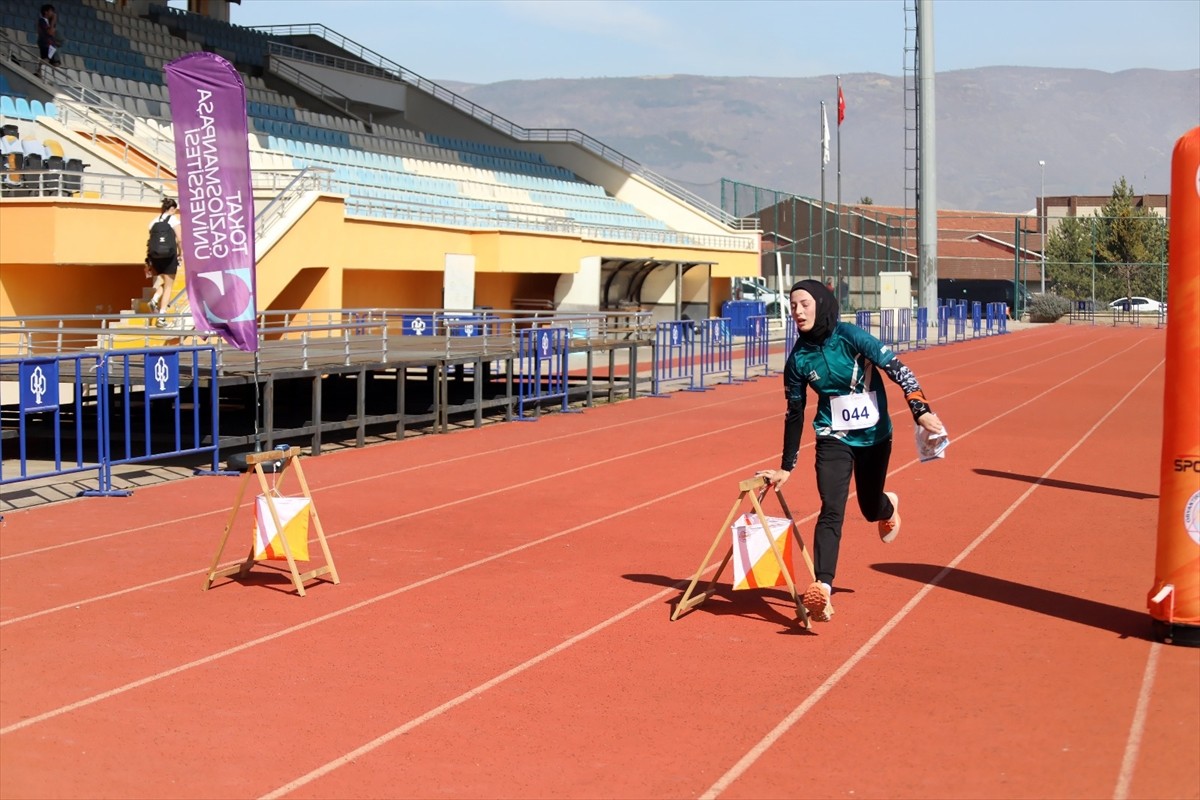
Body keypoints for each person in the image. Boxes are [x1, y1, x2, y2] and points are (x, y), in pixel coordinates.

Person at [755, 279, 944, 623]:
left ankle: (887, 505)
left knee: (870, 508)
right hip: (833, 436)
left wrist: (921, 410)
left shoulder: (851, 336)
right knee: (831, 507)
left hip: (874, 436)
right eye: (792, 305)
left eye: (804, 304)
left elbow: (898, 368)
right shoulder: (798, 359)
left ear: (822, 303)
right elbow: (794, 413)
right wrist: (786, 466)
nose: (797, 311)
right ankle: (822, 586)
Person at [145, 197, 181, 327]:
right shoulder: (173, 220)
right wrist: (180, 254)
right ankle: (161, 317)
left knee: (164, 282)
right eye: (175, 210)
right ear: (171, 209)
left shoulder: (153, 221)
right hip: (169, 256)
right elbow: (180, 239)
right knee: (169, 286)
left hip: (155, 257)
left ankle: (154, 299)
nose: (175, 212)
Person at [36, 5, 62, 73]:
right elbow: (50, 32)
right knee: (46, 59)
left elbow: (53, 33)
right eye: (51, 11)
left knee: (55, 62)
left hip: (51, 45)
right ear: (46, 12)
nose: (53, 13)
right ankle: (39, 72)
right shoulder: (42, 20)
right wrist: (53, 20)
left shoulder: (48, 22)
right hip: (46, 44)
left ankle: (46, 74)